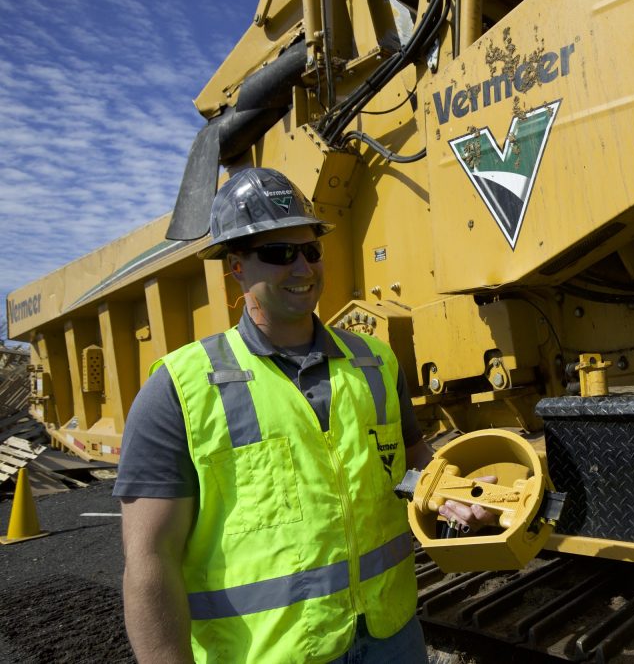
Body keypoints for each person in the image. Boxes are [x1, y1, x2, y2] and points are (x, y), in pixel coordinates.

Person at [115, 167, 434, 663]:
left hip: (392, 635)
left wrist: (454, 494)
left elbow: (413, 463)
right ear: (235, 266)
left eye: (310, 250)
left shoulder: (375, 362)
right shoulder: (178, 389)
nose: (303, 269)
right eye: (279, 254)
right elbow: (149, 562)